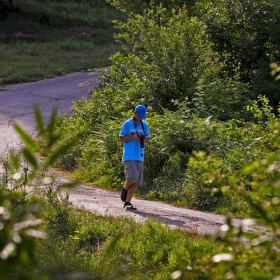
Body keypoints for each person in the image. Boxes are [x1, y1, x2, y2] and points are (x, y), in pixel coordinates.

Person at [119, 105, 151, 210]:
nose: (140, 118)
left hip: (139, 155)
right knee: (132, 176)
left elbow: (148, 139)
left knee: (136, 180)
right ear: (135, 113)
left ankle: (127, 202)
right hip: (129, 154)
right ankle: (125, 188)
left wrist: (143, 138)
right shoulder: (127, 124)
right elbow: (121, 138)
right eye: (139, 115)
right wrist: (132, 137)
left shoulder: (144, 125)